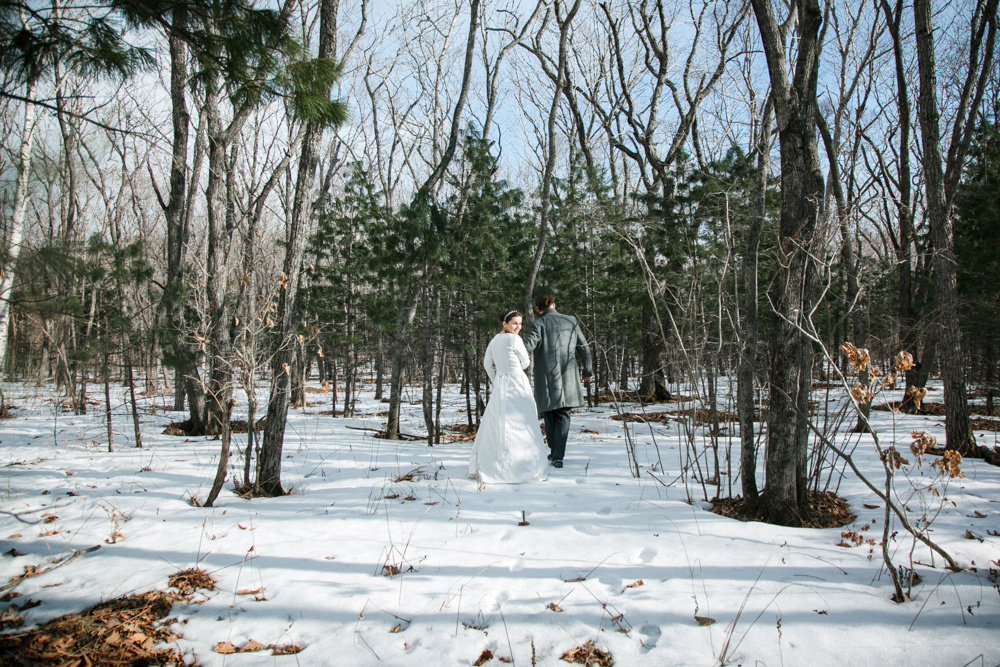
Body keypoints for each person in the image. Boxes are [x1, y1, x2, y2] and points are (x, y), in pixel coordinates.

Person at [466, 310, 548, 484]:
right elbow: (525, 362)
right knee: (522, 421)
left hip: (501, 384)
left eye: (520, 324)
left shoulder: (494, 340)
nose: (518, 327)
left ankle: (496, 465)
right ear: (504, 323)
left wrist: (497, 380)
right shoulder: (514, 339)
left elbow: (487, 363)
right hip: (517, 382)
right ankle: (520, 466)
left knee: (499, 422)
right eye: (514, 323)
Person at [523, 295, 592, 468]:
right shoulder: (571, 321)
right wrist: (587, 370)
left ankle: (556, 453)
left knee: (550, 412)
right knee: (563, 413)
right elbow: (583, 347)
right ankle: (556, 453)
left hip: (546, 376)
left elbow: (528, 348)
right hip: (568, 374)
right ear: (554, 305)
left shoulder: (538, 324)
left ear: (538, 309)